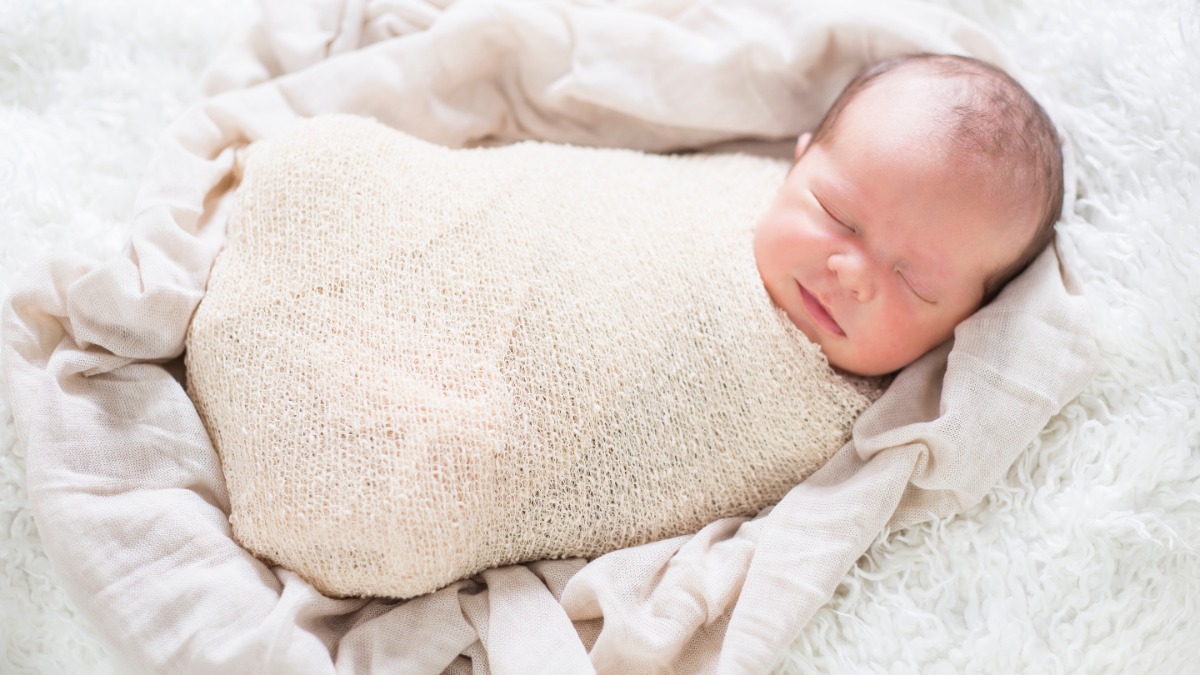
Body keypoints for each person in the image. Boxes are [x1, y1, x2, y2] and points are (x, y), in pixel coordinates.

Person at [755, 53, 1063, 376]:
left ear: (966, 322)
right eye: (837, 216)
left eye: (914, 286)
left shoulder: (917, 414)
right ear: (798, 162)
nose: (852, 275)